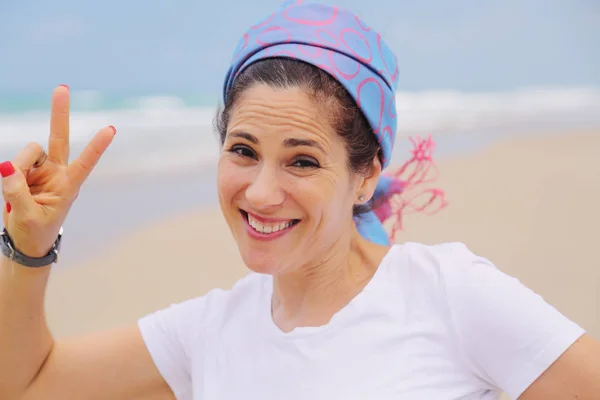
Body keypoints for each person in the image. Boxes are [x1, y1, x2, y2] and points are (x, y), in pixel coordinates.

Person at [1, 1, 599, 399]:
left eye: (303, 160)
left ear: (365, 175)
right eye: (242, 150)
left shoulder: (449, 295)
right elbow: (25, 384)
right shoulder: (207, 330)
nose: (260, 192)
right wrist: (28, 247)